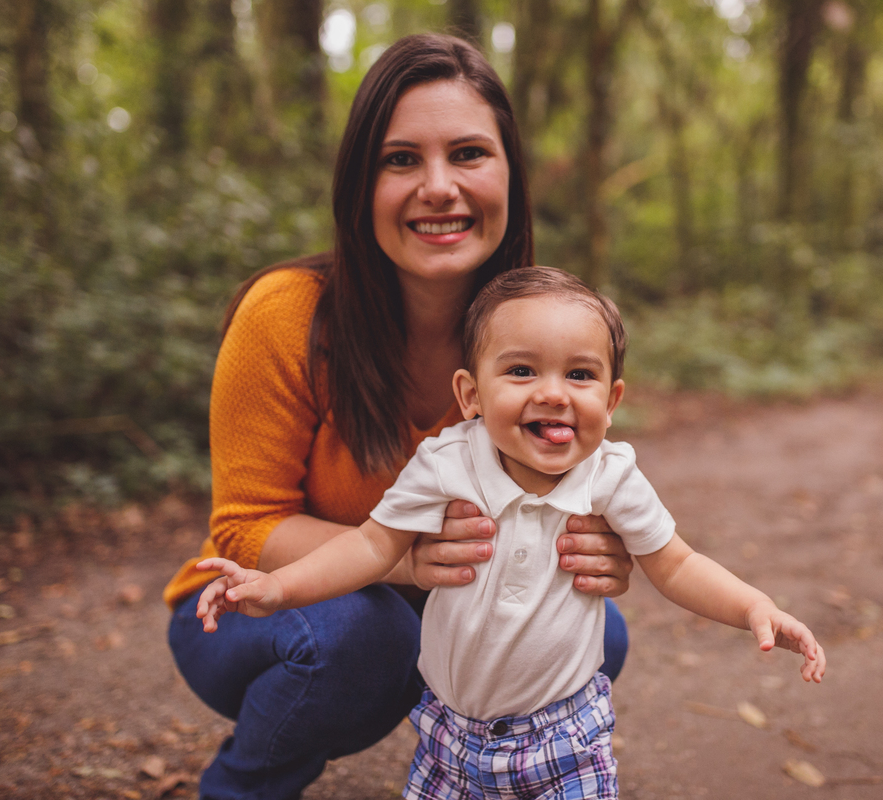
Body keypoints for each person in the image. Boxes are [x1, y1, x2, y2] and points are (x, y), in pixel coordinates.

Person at [162, 34, 635, 799]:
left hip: (428, 610)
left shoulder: (537, 337)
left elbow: (566, 500)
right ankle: (243, 787)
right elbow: (245, 526)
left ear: (509, 173)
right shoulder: (287, 315)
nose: (439, 186)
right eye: (401, 159)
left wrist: (597, 550)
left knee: (595, 629)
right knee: (366, 633)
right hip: (256, 610)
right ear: (361, 184)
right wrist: (402, 559)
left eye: (470, 154)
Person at [195, 267, 827, 800]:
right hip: (451, 735)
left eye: (580, 376)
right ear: (471, 394)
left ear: (612, 400)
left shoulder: (611, 476)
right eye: (522, 371)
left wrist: (754, 606)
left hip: (566, 737)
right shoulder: (447, 463)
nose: (553, 394)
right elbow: (368, 545)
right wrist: (278, 588)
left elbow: (678, 565)